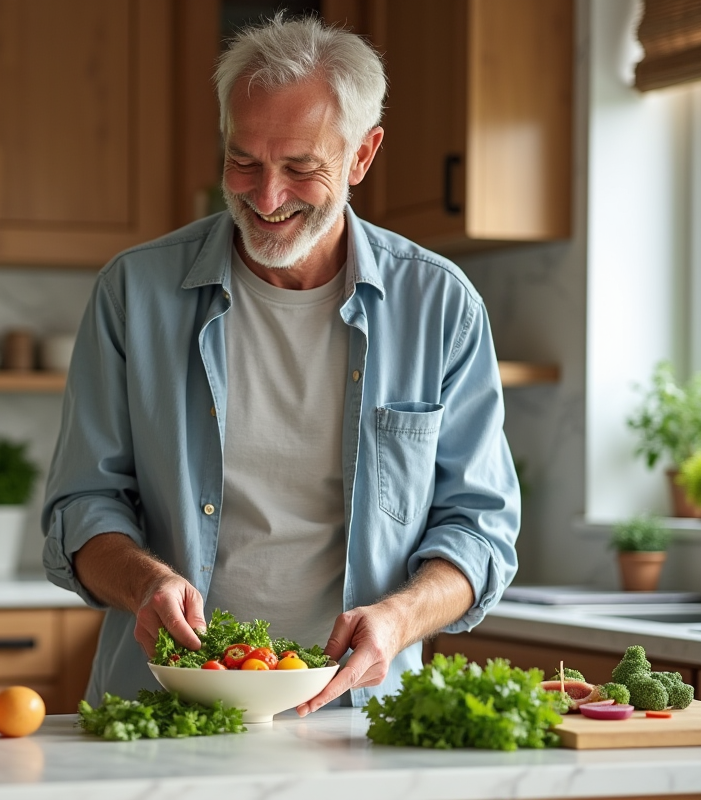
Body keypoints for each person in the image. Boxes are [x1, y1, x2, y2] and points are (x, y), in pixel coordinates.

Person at [40, 14, 519, 714]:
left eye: (301, 168)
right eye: (244, 161)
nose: (266, 199)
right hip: (162, 708)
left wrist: (400, 618)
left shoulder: (439, 305)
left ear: (362, 156)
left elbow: (479, 529)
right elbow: (81, 504)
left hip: (362, 718)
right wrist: (145, 584)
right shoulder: (133, 293)